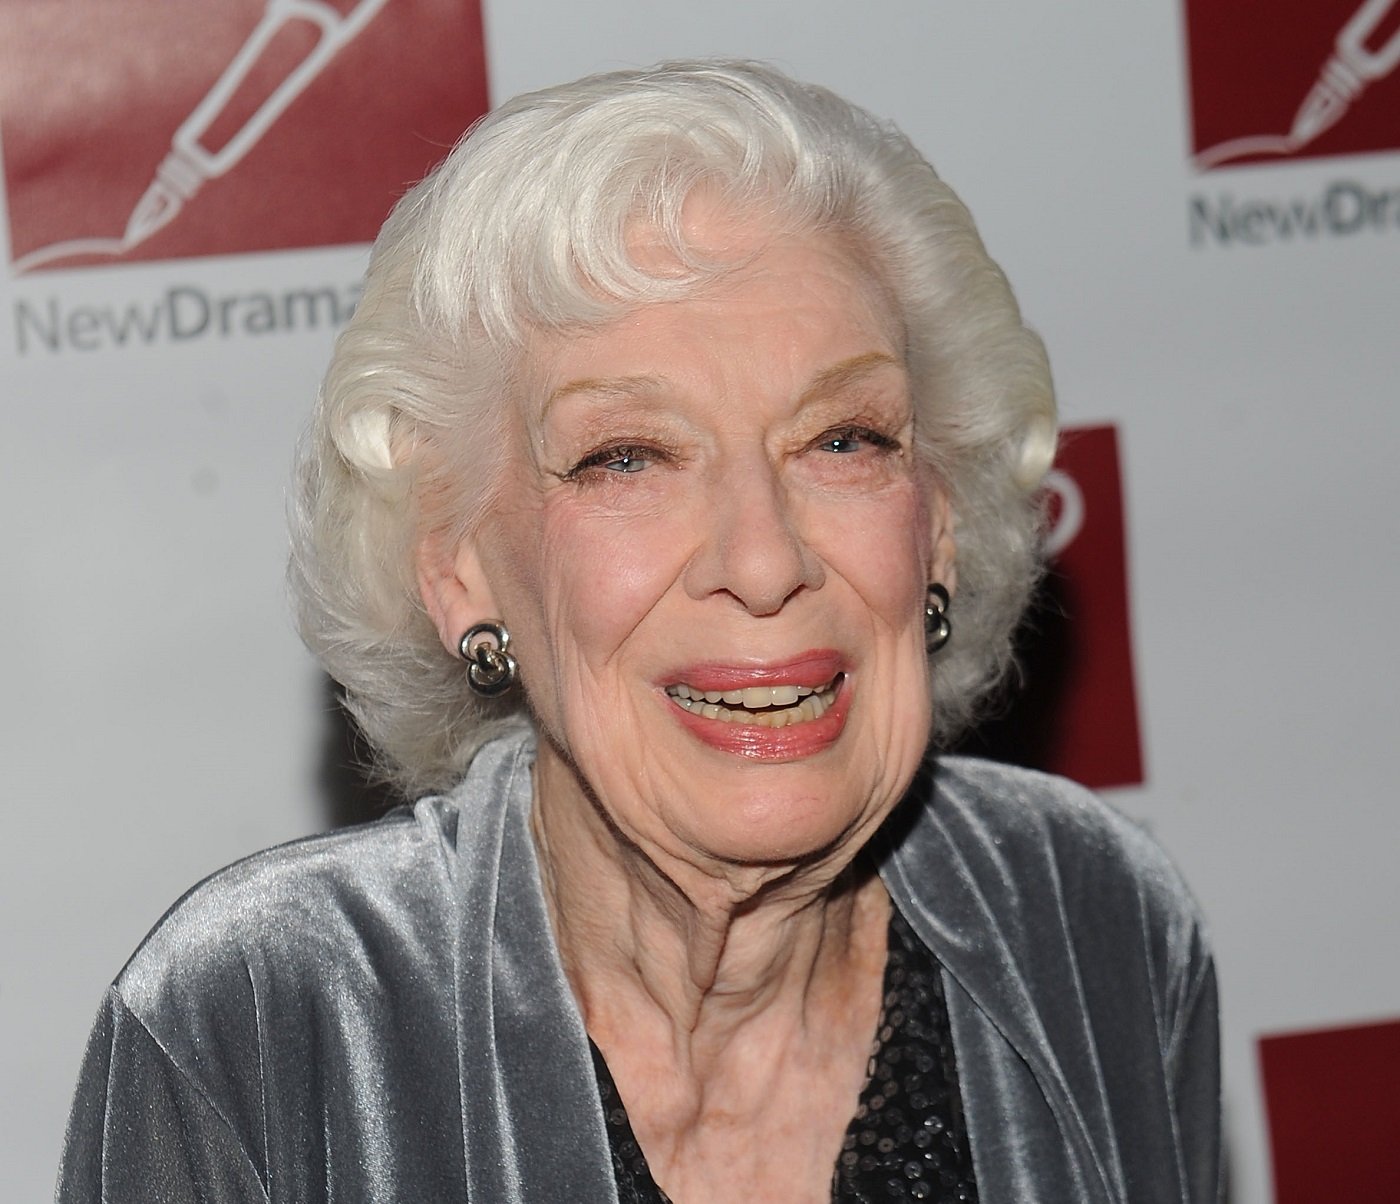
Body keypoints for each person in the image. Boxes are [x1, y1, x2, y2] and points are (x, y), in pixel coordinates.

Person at [56, 61, 1219, 1203]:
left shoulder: (1088, 921)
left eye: (843, 440)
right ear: (459, 570)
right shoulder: (266, 1027)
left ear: (938, 528)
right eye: (627, 457)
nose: (761, 561)